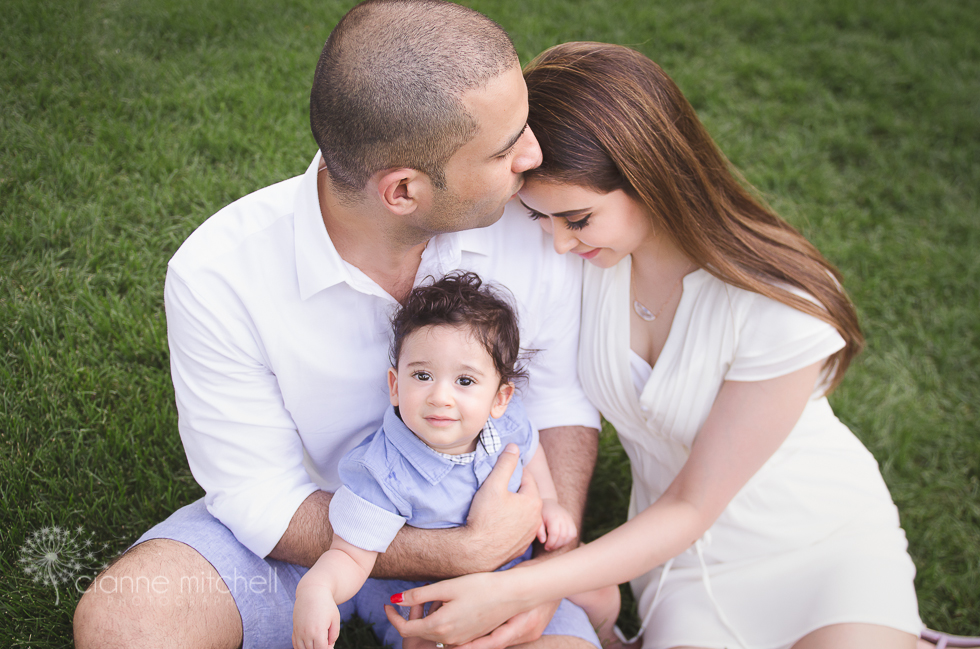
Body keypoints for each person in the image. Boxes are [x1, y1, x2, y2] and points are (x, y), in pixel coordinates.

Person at [72, 5, 603, 649]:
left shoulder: (531, 223)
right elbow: (260, 497)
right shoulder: (219, 272)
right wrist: (456, 550)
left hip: (495, 527)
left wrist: (539, 565)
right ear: (402, 190)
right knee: (124, 626)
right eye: (504, 147)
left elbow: (558, 399)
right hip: (312, 535)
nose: (533, 154)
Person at [385, 42, 923, 649]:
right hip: (678, 561)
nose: (558, 244)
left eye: (578, 219)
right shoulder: (593, 263)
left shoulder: (778, 301)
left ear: (651, 174)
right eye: (543, 219)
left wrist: (518, 586)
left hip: (819, 542)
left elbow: (694, 505)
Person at [292, 272, 617, 649]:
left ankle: (611, 635)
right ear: (396, 387)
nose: (440, 396)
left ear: (500, 398)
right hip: (432, 596)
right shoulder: (383, 471)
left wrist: (549, 501)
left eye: (464, 381)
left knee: (603, 591)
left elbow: (531, 451)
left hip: (516, 570)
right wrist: (318, 588)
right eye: (423, 375)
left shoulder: (507, 422)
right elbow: (349, 555)